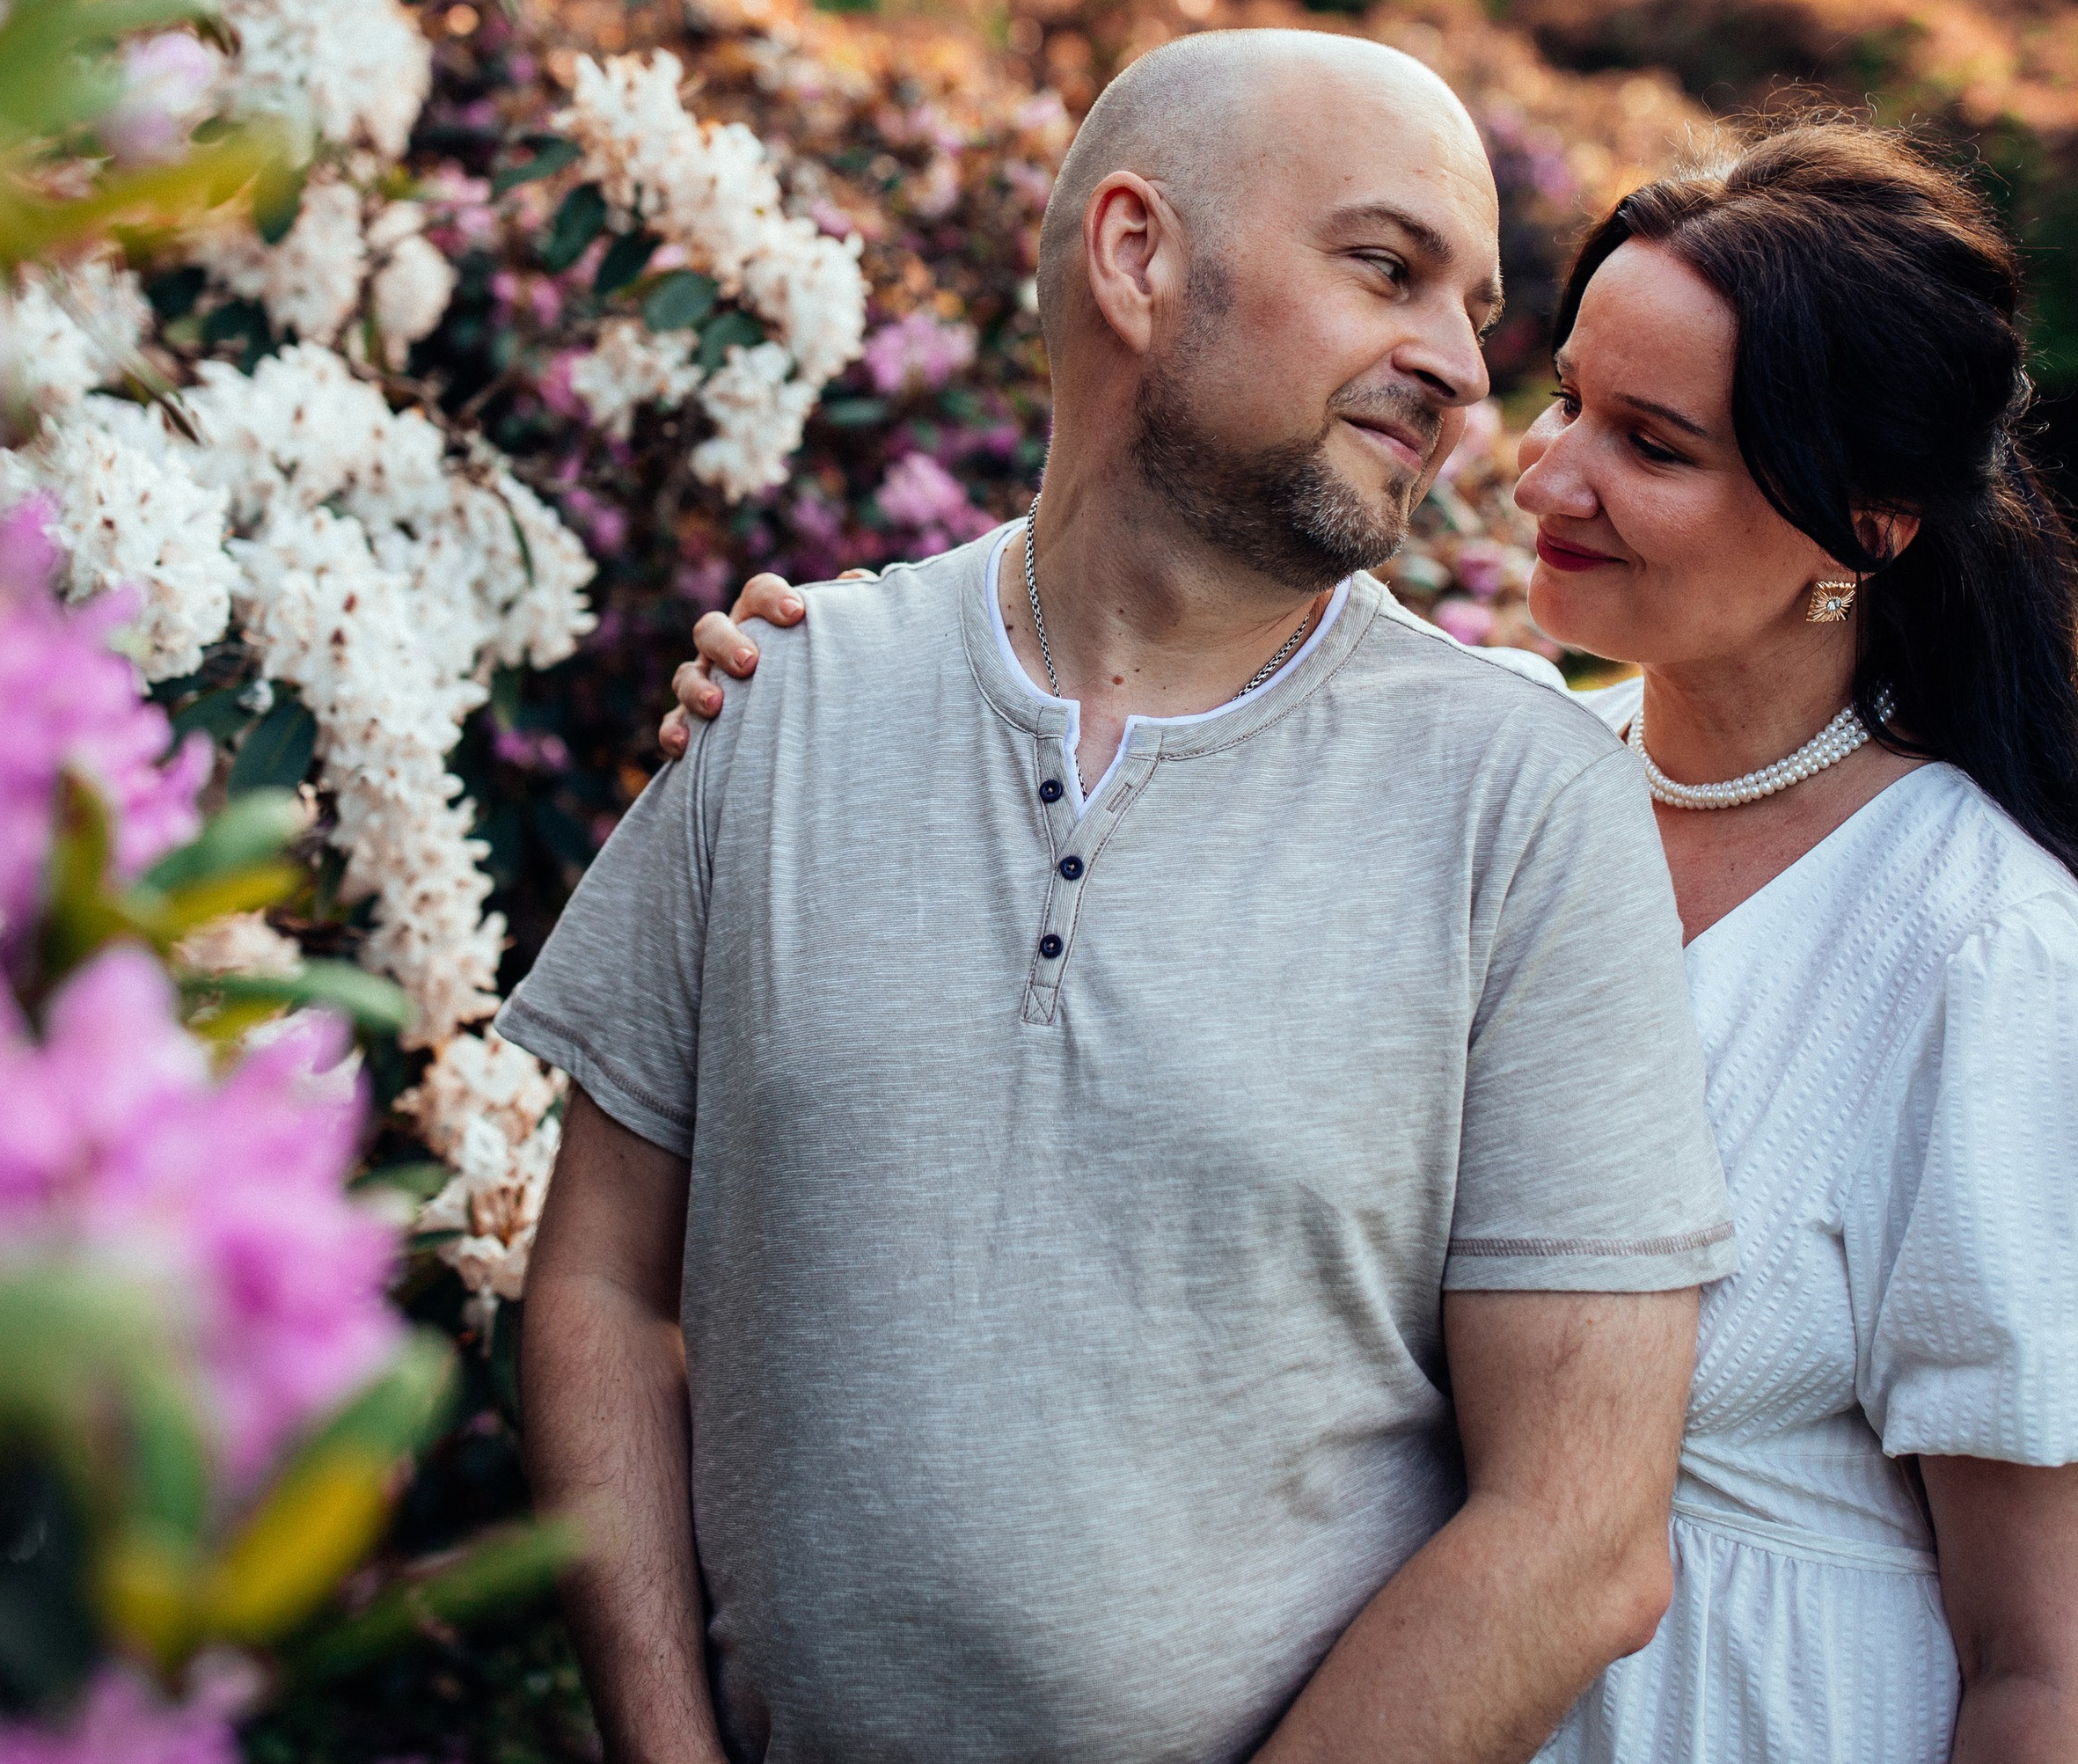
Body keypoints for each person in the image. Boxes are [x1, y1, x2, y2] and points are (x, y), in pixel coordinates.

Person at [673, 119, 2078, 1762]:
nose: (1548, 478)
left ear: (1872, 523)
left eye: (1655, 443)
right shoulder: (1485, 787)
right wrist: (832, 678)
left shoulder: (1980, 953)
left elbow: (2038, 1662)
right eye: (1566, 401)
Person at [509, 27, 1739, 1764]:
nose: (1459, 368)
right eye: (1387, 267)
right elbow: (596, 1289)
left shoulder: (1522, 807)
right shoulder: (786, 697)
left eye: (1474, 304)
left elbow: (1580, 1533)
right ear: (1137, 256)